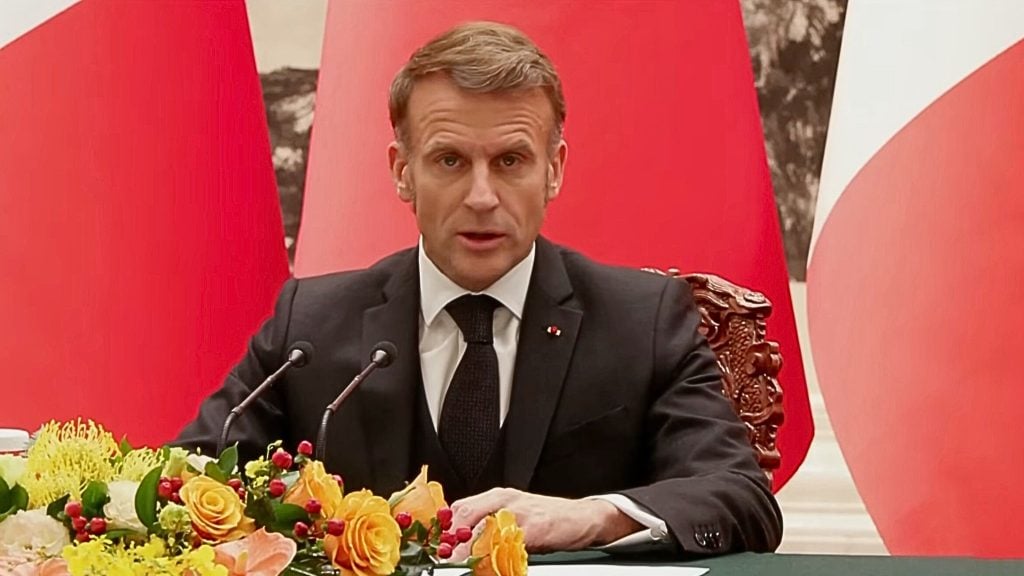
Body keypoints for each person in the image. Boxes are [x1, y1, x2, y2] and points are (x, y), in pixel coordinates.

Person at [177, 21, 781, 556]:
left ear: (555, 169)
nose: (482, 197)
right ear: (401, 171)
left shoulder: (641, 320)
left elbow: (738, 497)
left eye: (512, 160)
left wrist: (595, 515)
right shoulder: (310, 324)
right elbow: (188, 476)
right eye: (450, 161)